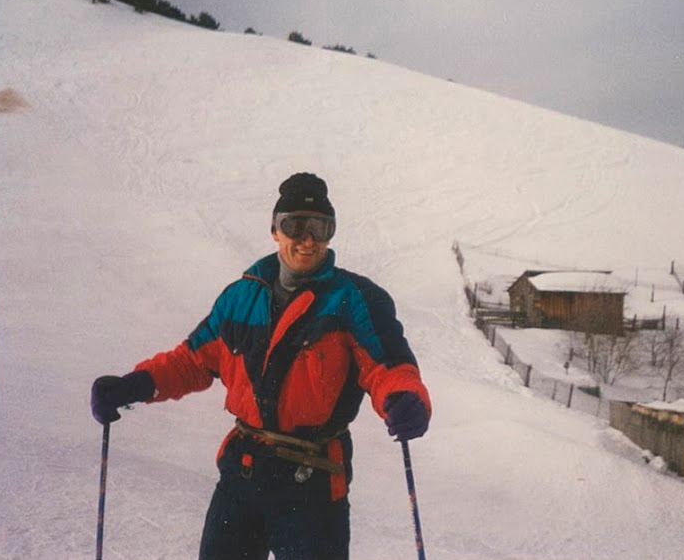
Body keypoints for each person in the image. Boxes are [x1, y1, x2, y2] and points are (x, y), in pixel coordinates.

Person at [90, 172, 431, 560]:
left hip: (314, 481)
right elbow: (192, 361)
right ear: (275, 229)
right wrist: (135, 385)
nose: (307, 239)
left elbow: (389, 368)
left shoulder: (355, 300)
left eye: (320, 227)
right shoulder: (241, 297)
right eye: (295, 225)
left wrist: (405, 399)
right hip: (243, 473)